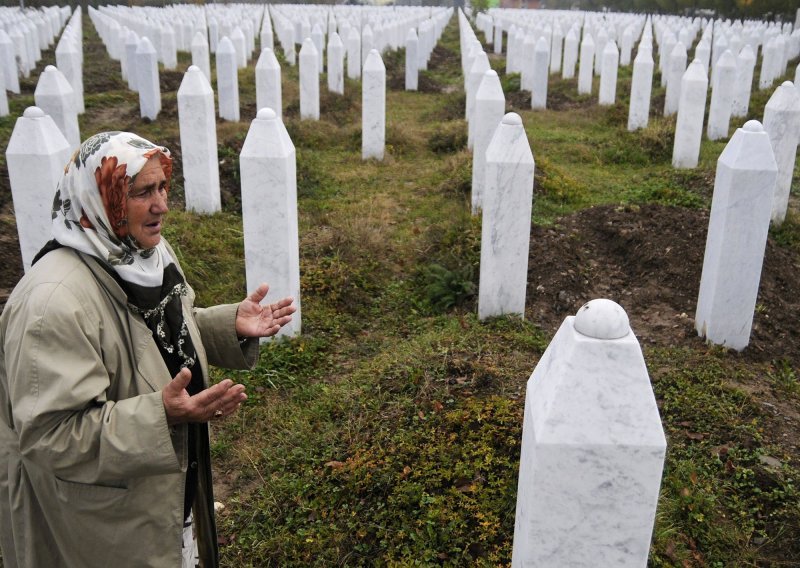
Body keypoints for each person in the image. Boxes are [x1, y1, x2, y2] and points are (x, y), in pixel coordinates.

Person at [0, 131, 296, 567]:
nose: (161, 205)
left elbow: (150, 336)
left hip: (158, 499)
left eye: (162, 188)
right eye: (142, 192)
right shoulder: (52, 303)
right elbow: (50, 436)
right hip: (99, 529)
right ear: (100, 198)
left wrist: (223, 326)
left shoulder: (140, 254)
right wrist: (164, 415)